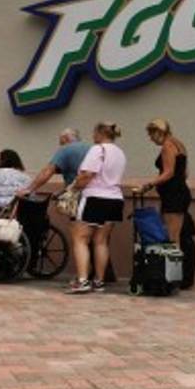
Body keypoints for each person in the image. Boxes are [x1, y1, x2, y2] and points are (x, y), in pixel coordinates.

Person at [67, 122, 126, 294]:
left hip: (95, 197)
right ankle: (99, 281)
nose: (92, 136)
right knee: (101, 241)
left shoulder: (97, 149)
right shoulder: (120, 153)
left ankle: (82, 280)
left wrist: (73, 187)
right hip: (115, 199)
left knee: (80, 238)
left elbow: (87, 174)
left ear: (100, 133)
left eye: (94, 132)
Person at [137, 118, 192, 245]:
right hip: (181, 192)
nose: (151, 139)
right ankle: (177, 257)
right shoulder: (179, 144)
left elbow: (168, 172)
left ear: (159, 132)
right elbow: (185, 173)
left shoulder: (167, 146)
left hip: (173, 196)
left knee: (171, 237)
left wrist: (149, 185)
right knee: (175, 235)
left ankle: (174, 258)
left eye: (151, 134)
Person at [16, 128, 91, 197]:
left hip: (78, 195)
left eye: (61, 141)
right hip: (94, 194)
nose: (60, 144)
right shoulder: (91, 148)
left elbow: (47, 171)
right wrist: (63, 191)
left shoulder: (65, 149)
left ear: (66, 138)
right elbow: (75, 174)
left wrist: (29, 189)